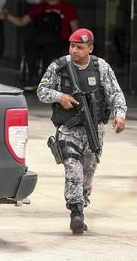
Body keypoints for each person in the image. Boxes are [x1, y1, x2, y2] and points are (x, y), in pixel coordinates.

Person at [37, 28, 126, 235]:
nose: (74, 50)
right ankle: (75, 212)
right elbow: (42, 90)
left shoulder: (100, 67)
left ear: (90, 48)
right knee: (73, 170)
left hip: (94, 130)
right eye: (72, 46)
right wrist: (60, 97)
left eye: (80, 47)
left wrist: (119, 115)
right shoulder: (59, 67)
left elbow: (115, 93)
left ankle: (82, 206)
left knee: (87, 173)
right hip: (68, 129)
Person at [3, 0, 79, 88]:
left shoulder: (67, 8)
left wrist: (79, 45)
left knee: (51, 48)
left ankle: (47, 80)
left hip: (59, 41)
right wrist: (7, 16)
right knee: (29, 44)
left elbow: (75, 29)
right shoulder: (40, 7)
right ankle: (33, 77)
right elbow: (21, 22)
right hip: (39, 41)